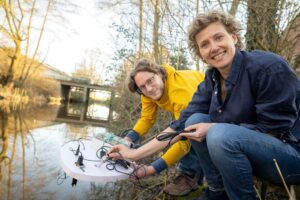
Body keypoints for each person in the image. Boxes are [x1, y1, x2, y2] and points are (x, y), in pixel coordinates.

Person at [108, 10, 300, 200]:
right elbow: (178, 127)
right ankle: (218, 191)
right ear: (200, 53)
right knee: (195, 120)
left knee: (219, 134)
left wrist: (214, 128)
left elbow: (274, 131)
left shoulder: (269, 67)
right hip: (248, 148)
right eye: (205, 44)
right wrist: (133, 154)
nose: (214, 47)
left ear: (233, 37)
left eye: (218, 37)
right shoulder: (212, 79)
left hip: (290, 156)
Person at [124, 58, 206, 196]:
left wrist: (152, 169)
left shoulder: (179, 91)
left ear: (159, 73)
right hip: (195, 113)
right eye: (142, 87)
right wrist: (127, 140)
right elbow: (147, 118)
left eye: (150, 80)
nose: (149, 88)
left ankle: (189, 176)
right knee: (184, 126)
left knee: (190, 131)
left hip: (222, 110)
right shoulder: (146, 92)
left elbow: (183, 141)